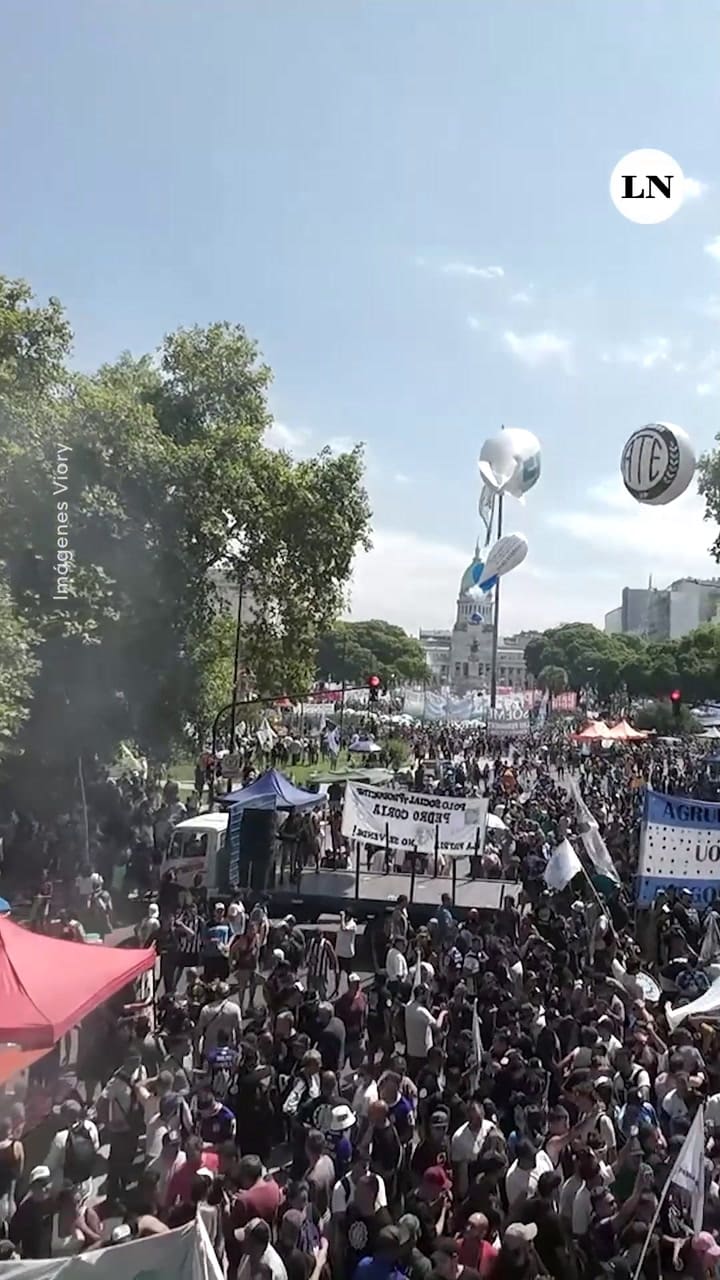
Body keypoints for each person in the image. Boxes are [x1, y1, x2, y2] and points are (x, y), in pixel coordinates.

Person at [9, 1166, 54, 1259]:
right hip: (32, 1263)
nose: (44, 1188)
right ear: (32, 1187)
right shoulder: (24, 1211)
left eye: (46, 1183)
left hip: (51, 1260)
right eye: (39, 1184)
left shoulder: (55, 1205)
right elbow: (13, 1238)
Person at [50, 1183, 102, 1256]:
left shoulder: (87, 1214)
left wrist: (84, 1228)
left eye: (78, 1203)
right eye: (72, 1204)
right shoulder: (53, 1219)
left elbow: (100, 1241)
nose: (77, 1207)